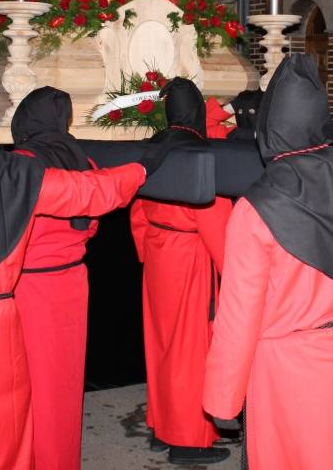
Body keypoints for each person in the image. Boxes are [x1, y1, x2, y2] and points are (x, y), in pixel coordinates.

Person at [0, 70, 155, 470]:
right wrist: (142, 168)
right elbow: (91, 204)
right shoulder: (34, 167)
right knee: (54, 391)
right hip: (53, 286)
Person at [204, 56, 333, 470]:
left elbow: (240, 314)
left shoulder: (257, 206)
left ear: (268, 128)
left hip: (294, 373)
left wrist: (224, 397)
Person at [10, 86, 120, 470]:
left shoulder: (21, 162)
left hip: (28, 285)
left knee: (27, 386)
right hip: (72, 280)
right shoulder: (83, 159)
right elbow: (90, 225)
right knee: (64, 384)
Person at [129, 78, 232, 465]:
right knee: (191, 351)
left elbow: (135, 206)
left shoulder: (152, 145)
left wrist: (145, 250)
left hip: (158, 255)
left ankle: (161, 426)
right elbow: (212, 216)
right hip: (191, 256)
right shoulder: (200, 153)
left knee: (161, 344)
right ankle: (188, 441)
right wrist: (230, 270)